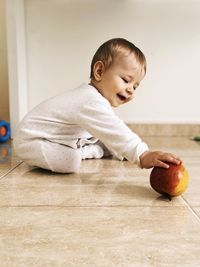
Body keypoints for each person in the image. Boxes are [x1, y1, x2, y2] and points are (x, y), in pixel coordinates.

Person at [13, 38, 181, 173]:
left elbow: (110, 128)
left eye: (135, 86)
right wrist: (141, 154)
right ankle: (91, 151)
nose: (130, 90)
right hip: (30, 141)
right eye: (126, 80)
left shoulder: (94, 101)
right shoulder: (89, 100)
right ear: (99, 71)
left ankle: (97, 146)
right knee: (71, 162)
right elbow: (114, 129)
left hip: (52, 139)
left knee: (97, 134)